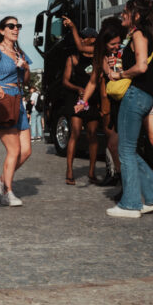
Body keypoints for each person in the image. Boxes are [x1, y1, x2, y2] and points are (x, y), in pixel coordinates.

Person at [96, 0, 153, 218]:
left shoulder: (138, 35)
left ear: (136, 15)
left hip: (136, 93)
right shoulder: (142, 35)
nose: (122, 14)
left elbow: (141, 66)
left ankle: (130, 204)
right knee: (128, 149)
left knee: (125, 150)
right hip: (145, 95)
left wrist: (119, 74)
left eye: (126, 11)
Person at [0, 16, 34, 207]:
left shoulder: (19, 52)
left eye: (18, 25)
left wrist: (25, 67)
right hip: (2, 100)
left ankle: (2, 180)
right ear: (2, 30)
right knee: (14, 149)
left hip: (18, 100)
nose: (15, 29)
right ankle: (7, 192)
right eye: (11, 26)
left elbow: (26, 79)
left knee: (26, 151)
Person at [78, 17, 127, 193]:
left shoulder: (126, 51)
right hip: (111, 101)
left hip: (128, 100)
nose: (116, 46)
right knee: (114, 144)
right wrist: (83, 102)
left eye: (118, 43)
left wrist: (120, 70)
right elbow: (92, 82)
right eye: (112, 44)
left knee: (121, 145)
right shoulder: (102, 56)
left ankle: (127, 184)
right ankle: (121, 180)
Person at [62, 27, 101, 186]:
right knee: (75, 133)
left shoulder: (98, 58)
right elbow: (65, 80)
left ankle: (92, 172)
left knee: (92, 134)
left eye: (87, 37)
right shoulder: (73, 58)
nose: (84, 39)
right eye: (82, 37)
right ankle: (69, 171)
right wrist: (77, 89)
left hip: (92, 99)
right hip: (76, 98)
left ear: (94, 39)